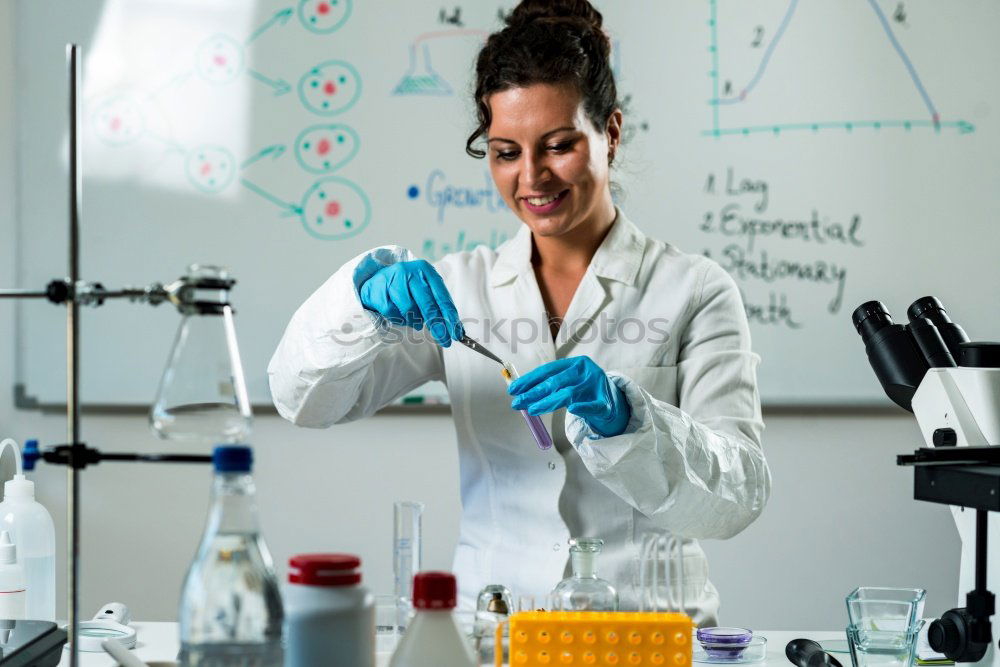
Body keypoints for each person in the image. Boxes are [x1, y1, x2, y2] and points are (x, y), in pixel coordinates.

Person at [268, 0, 770, 624]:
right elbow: (303, 401)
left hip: (647, 634)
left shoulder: (693, 289)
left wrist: (628, 421)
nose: (531, 177)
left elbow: (740, 495)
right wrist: (360, 302)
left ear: (609, 133)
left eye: (558, 145)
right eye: (505, 152)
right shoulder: (459, 290)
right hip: (497, 631)